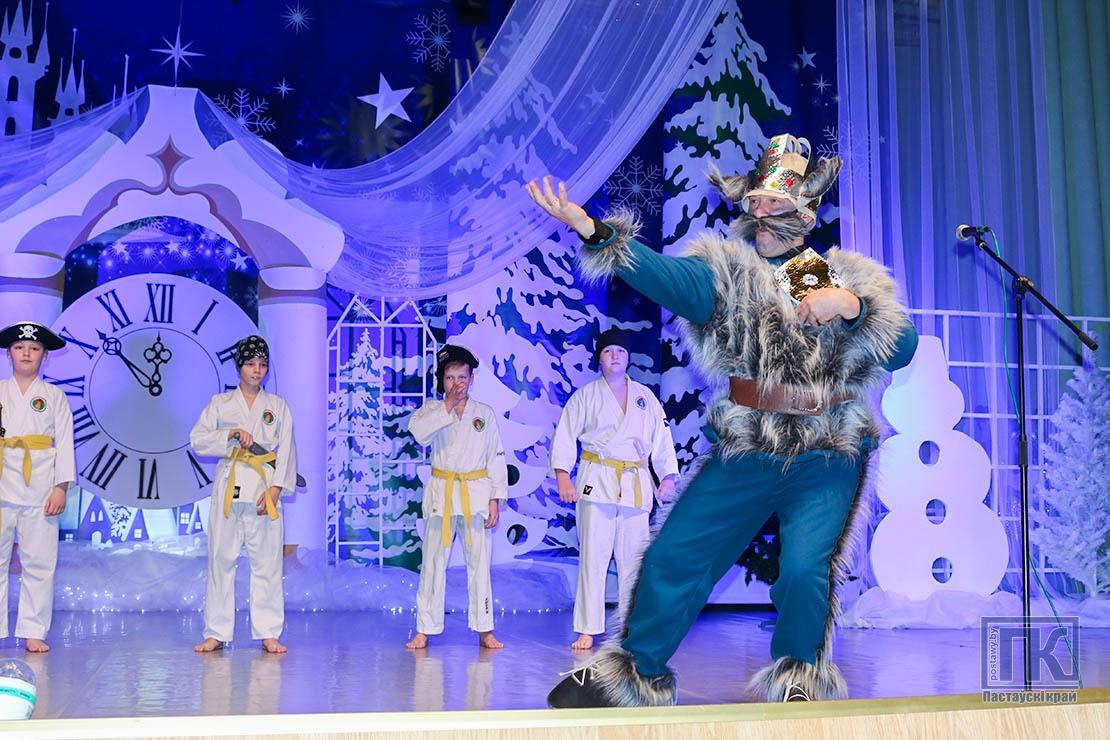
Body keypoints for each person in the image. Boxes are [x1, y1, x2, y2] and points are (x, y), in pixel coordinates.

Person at [528, 132, 919, 706]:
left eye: (774, 201)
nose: (760, 211)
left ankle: (799, 678)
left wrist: (850, 305)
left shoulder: (833, 276)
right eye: (754, 200)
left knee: (804, 570)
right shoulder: (727, 273)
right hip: (749, 445)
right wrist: (593, 230)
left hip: (826, 451)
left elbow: (903, 348)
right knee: (674, 553)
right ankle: (634, 673)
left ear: (803, 211)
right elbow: (663, 275)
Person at [550, 327, 678, 651]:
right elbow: (565, 435)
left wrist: (667, 477)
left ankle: (630, 629)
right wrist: (563, 475)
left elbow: (662, 439)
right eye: (608, 351)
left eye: (620, 351)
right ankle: (587, 629)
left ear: (628, 358)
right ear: (600, 359)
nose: (615, 356)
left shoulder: (645, 397)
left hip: (634, 483)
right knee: (593, 558)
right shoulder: (586, 396)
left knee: (633, 561)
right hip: (597, 479)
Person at [191, 335, 298, 654]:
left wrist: (276, 489)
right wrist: (230, 435)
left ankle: (268, 631)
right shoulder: (221, 403)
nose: (257, 370)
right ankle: (216, 632)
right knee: (220, 560)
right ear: (239, 366)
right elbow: (197, 440)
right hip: (230, 484)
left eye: (262, 364)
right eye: (250, 363)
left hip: (263, 487)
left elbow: (287, 449)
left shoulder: (277, 406)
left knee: (267, 563)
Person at [405, 344, 508, 651]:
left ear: (471, 379)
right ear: (442, 381)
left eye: (462, 377)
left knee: (480, 564)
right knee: (433, 563)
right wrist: (447, 406)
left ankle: (485, 628)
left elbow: (496, 457)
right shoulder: (431, 411)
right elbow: (419, 434)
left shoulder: (483, 414)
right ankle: (424, 629)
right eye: (450, 378)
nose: (457, 383)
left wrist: (495, 499)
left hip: (475, 494)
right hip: (443, 493)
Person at [0, 322, 74, 653]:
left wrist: (61, 487)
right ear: (9, 354)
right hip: (2, 482)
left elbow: (66, 444)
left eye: (34, 348)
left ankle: (33, 630)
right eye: (19, 347)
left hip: (40, 487)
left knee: (40, 562)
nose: (26, 353)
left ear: (45, 355)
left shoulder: (54, 397)